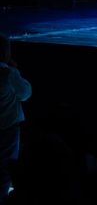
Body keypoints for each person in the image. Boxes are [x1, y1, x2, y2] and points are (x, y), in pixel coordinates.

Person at [0, 33, 32, 203]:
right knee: (5, 168)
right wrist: (15, 70)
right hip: (7, 129)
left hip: (7, 128)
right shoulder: (8, 73)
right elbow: (25, 93)